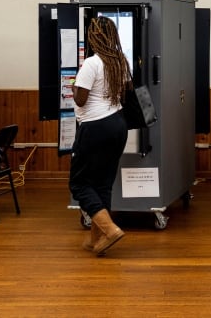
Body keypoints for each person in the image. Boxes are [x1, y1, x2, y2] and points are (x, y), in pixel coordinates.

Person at [69, 16, 130, 256]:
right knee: (102, 183)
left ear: (94, 37)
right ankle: (97, 239)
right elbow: (125, 93)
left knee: (79, 183)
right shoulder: (120, 62)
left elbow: (80, 99)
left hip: (95, 127)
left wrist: (74, 85)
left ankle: (111, 229)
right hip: (117, 125)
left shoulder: (92, 63)